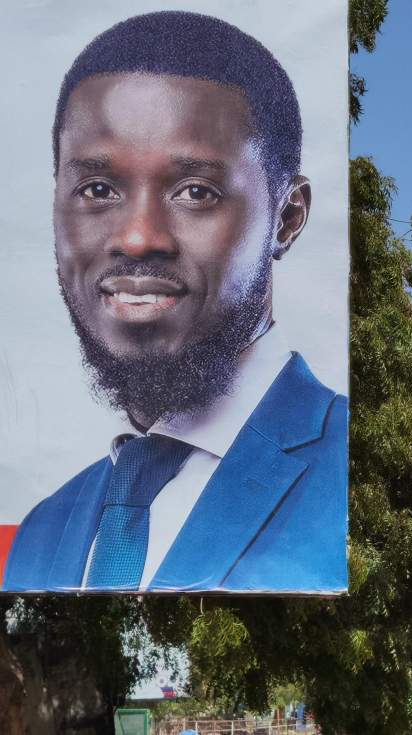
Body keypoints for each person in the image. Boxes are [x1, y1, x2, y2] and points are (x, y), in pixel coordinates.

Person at [2, 11, 347, 593]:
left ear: (287, 219)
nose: (137, 237)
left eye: (195, 192)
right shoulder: (41, 530)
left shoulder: (351, 483)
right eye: (97, 189)